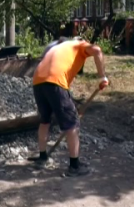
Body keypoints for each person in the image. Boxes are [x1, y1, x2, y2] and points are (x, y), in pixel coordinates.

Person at [30, 37, 109, 177]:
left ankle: (42, 157)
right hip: (55, 80)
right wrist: (103, 78)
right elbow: (97, 50)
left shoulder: (57, 47)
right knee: (72, 124)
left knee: (45, 120)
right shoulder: (78, 45)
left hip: (37, 81)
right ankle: (74, 166)